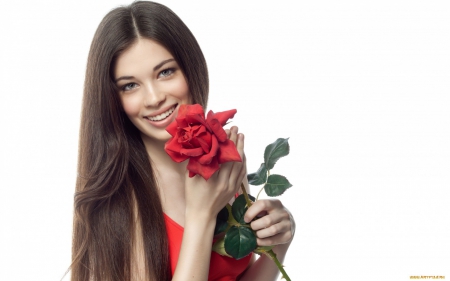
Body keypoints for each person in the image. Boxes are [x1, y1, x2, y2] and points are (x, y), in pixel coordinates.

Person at [71, 1, 295, 280]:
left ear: (190, 67)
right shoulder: (116, 201)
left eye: (165, 72)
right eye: (130, 85)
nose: (154, 99)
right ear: (113, 99)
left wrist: (280, 245)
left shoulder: (222, 155)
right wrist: (201, 216)